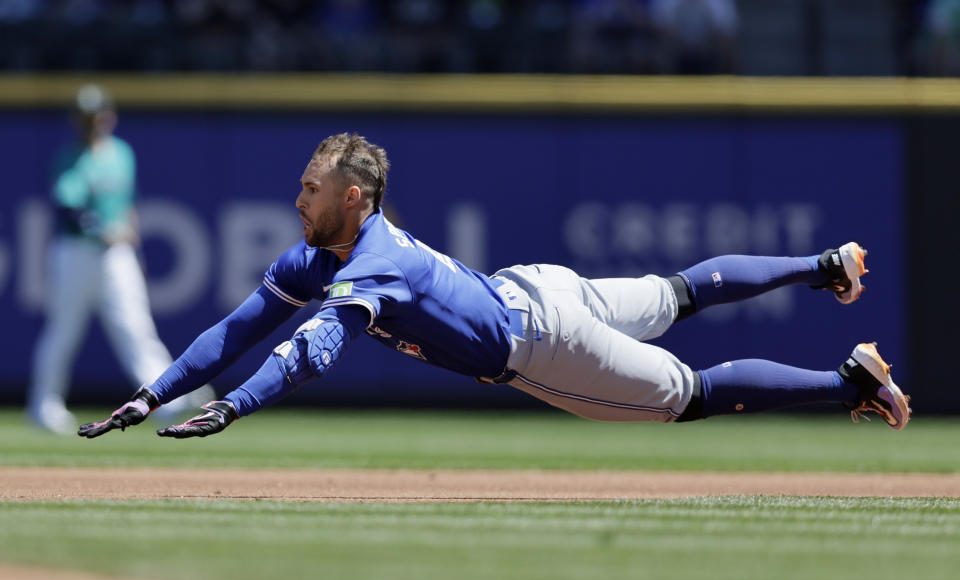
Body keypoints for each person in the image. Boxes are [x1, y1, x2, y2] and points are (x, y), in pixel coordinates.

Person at [77, 132, 911, 440]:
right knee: (673, 295)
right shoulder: (314, 259)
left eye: (311, 187)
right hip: (534, 288)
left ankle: (846, 385)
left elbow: (309, 350)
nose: (298, 198)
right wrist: (157, 393)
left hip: (538, 342)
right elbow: (238, 330)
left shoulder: (373, 260)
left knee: (687, 397)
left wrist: (234, 407)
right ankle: (822, 266)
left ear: (354, 198)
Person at [28, 84, 212, 435]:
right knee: (63, 332)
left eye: (96, 115)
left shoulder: (121, 154)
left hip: (117, 256)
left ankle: (164, 400)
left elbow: (127, 206)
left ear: (108, 117)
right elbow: (68, 208)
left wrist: (134, 249)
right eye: (85, 117)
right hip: (76, 253)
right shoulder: (70, 157)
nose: (92, 123)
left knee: (136, 329)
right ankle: (43, 405)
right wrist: (102, 230)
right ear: (77, 120)